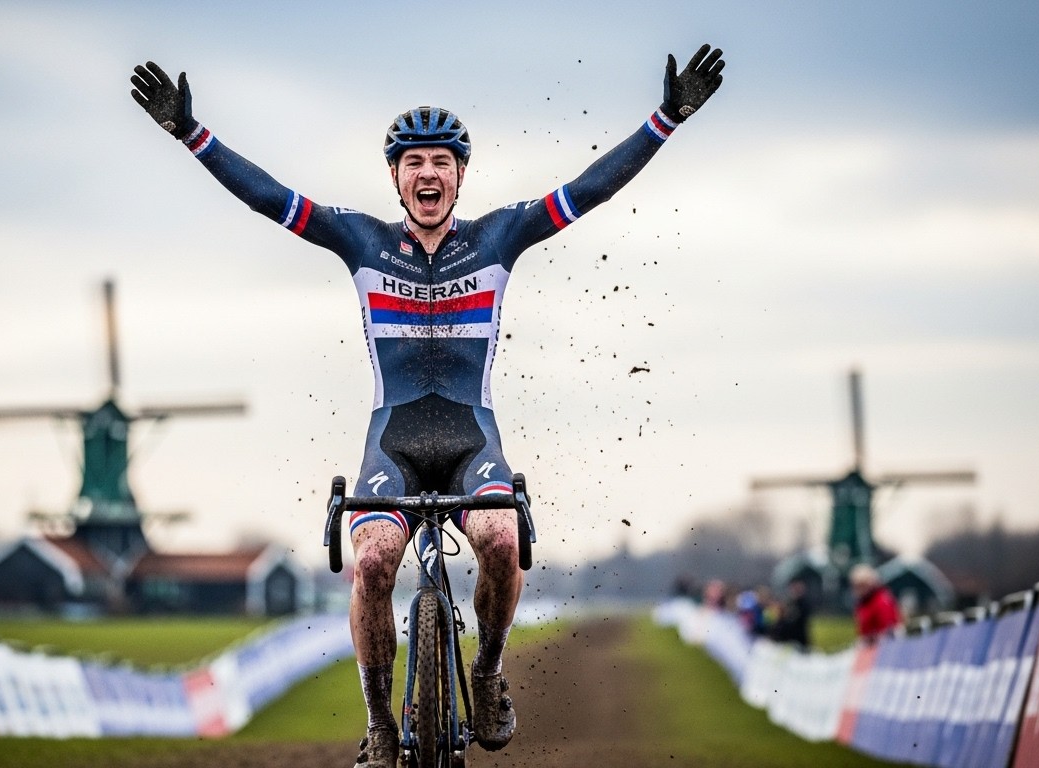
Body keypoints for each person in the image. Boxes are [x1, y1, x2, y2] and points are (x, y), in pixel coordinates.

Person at [130, 44, 725, 768]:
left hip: (473, 439)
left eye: (441, 161)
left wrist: (666, 119)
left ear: (460, 175)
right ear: (396, 177)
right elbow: (269, 198)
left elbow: (589, 189)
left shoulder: (499, 236)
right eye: (413, 162)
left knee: (502, 540)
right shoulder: (361, 240)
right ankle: (381, 721)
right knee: (374, 563)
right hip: (394, 442)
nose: (428, 173)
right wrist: (192, 134)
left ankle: (489, 671)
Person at [850, 563, 902, 644]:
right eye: (856, 586)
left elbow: (890, 632)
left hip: (882, 645)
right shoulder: (863, 603)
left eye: (862, 585)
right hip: (868, 645)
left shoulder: (882, 601)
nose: (858, 590)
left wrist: (870, 640)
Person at [768, 577, 812, 651]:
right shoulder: (790, 603)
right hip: (787, 642)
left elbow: (797, 622)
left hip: (798, 641)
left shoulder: (803, 604)